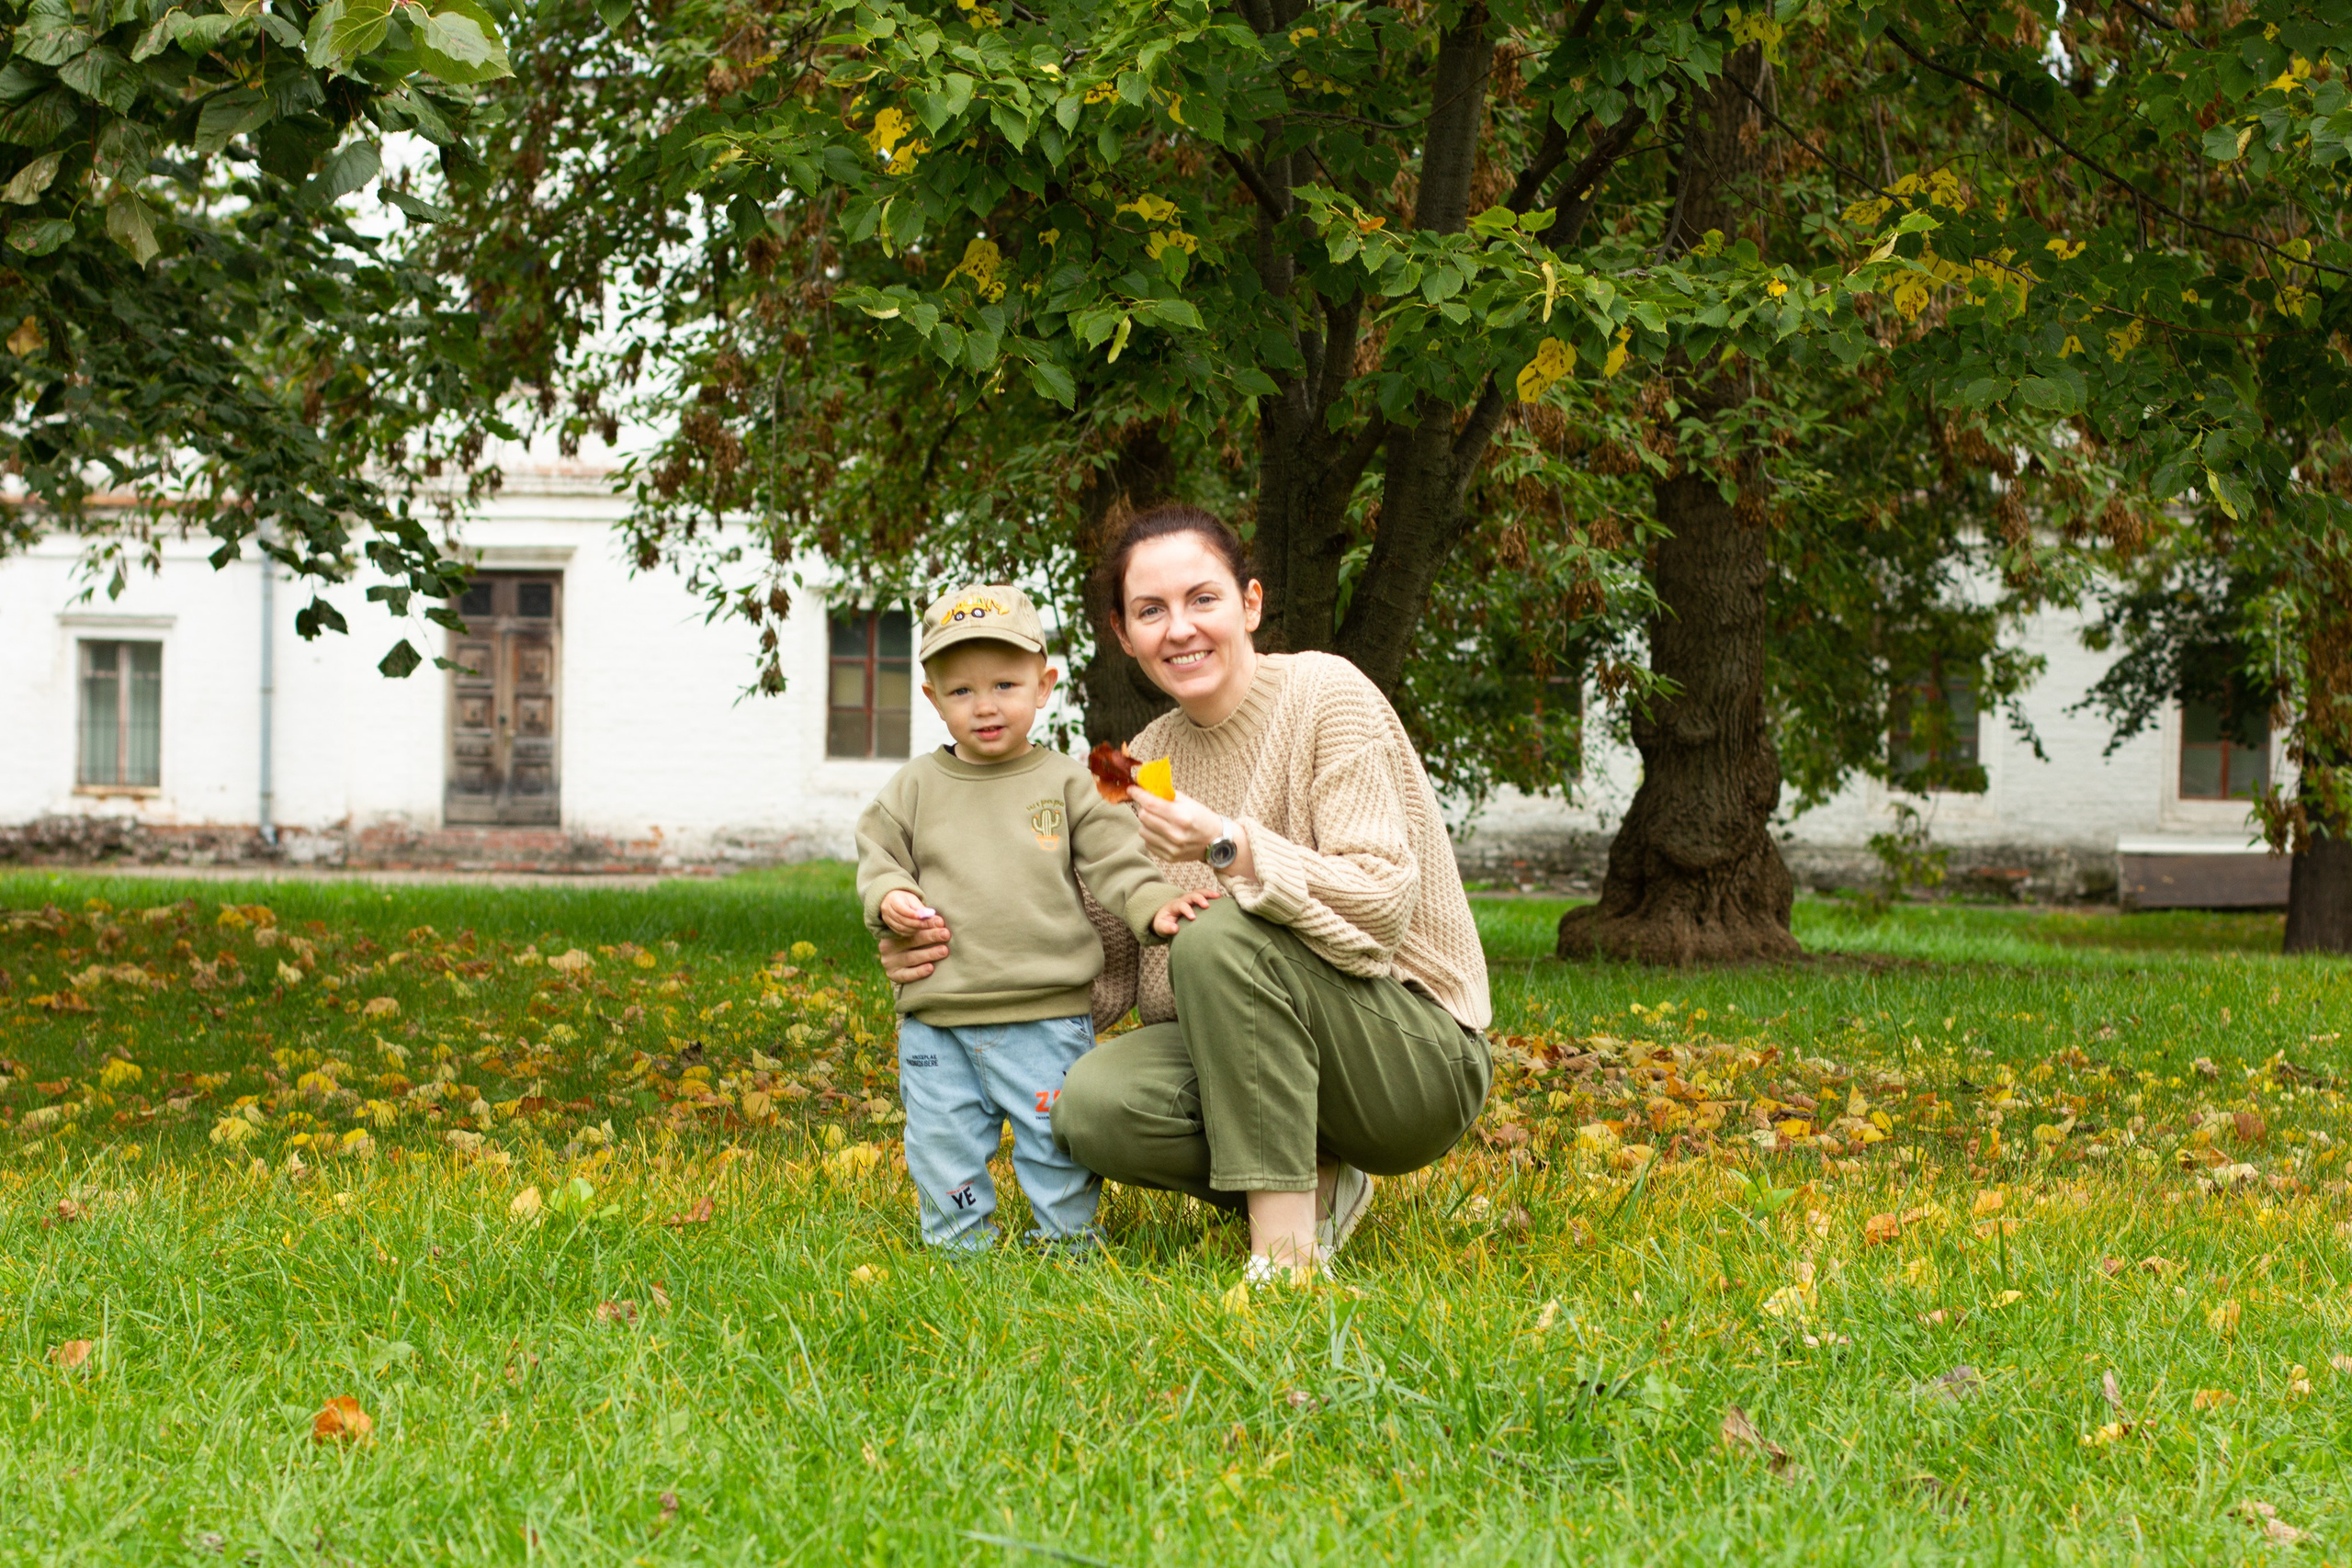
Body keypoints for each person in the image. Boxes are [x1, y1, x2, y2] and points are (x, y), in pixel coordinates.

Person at [879, 515, 1493, 1284]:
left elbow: (1379, 906)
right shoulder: (1144, 762)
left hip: (1408, 1055)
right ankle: (1321, 1185)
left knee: (1219, 931)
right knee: (1089, 1104)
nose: (1180, 629)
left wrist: (1224, 845)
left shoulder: (1326, 693)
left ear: (1251, 604)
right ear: (1124, 634)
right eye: (1150, 611)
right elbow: (1096, 956)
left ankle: (1286, 1263)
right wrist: (938, 954)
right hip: (1249, 1054)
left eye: (1202, 598)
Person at [856, 584, 1217, 1254]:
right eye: (961, 691)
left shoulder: (1067, 782)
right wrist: (888, 898)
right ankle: (959, 1244)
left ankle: (1067, 1241)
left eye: (1004, 683)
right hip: (940, 1019)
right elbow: (878, 856)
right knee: (942, 1143)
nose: (985, 705)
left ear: (1044, 683)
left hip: (1046, 1018)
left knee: (1054, 1145)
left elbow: (1117, 859)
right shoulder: (911, 788)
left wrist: (1153, 904)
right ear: (933, 698)